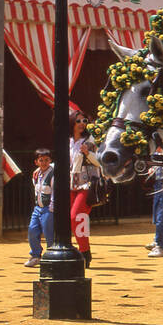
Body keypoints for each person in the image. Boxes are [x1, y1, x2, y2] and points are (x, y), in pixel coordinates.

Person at [69, 111, 103, 268]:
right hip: (69, 184)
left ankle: (85, 252)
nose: (82, 123)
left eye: (84, 120)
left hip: (86, 183)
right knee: (68, 220)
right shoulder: (67, 141)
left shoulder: (90, 140)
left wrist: (87, 153)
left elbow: (99, 162)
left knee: (77, 216)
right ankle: (76, 251)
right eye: (78, 121)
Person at [25, 148, 54, 267]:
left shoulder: (53, 174)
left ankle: (52, 256)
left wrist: (52, 208)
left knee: (49, 232)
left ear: (50, 160)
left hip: (48, 208)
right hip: (38, 208)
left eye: (46, 160)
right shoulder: (36, 174)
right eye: (41, 160)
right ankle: (36, 255)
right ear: (36, 162)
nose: (44, 163)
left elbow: (54, 192)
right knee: (32, 230)